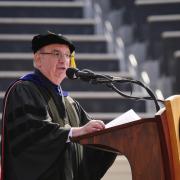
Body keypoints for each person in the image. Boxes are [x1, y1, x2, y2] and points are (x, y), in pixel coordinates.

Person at [1, 32, 116, 180]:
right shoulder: (24, 90)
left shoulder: (71, 103)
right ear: (38, 59)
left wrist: (114, 142)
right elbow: (34, 136)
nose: (64, 60)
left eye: (67, 55)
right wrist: (75, 132)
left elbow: (92, 143)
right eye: (56, 54)